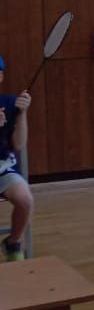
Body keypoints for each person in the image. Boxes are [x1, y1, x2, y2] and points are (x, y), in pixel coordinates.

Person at [0, 55, 33, 262]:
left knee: (25, 200)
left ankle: (13, 242)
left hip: (3, 169)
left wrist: (22, 114)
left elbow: (19, 144)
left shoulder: (10, 103)